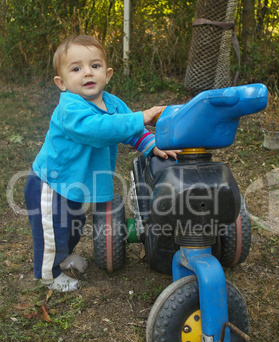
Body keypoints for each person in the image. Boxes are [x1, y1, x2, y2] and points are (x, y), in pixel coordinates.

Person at [24, 35, 179, 292]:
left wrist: (152, 145)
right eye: (76, 68)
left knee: (74, 226)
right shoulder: (70, 108)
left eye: (94, 66)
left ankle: (62, 259)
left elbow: (129, 129)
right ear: (61, 83)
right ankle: (49, 275)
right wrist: (141, 117)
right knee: (53, 231)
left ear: (107, 74)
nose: (87, 73)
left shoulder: (113, 104)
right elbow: (97, 129)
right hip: (51, 183)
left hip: (76, 183)